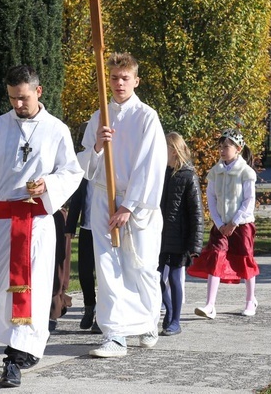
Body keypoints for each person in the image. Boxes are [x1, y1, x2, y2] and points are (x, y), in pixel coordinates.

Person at [0, 65, 83, 388]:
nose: (17, 104)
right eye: (12, 98)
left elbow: (71, 172)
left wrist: (48, 185)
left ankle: (13, 358)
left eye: (23, 98)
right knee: (2, 293)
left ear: (38, 92)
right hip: (0, 226)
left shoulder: (56, 130)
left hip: (36, 225)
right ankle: (26, 345)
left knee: (33, 292)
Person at [79, 53, 168, 357]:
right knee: (107, 268)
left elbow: (151, 165)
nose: (118, 83)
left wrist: (129, 205)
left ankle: (147, 321)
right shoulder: (98, 117)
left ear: (135, 81)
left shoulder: (146, 117)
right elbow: (85, 166)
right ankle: (115, 335)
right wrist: (96, 146)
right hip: (104, 197)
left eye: (124, 78)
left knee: (140, 265)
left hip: (137, 202)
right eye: (114, 78)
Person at [188, 128, 260, 318]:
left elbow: (248, 201)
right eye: (220, 146)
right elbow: (211, 199)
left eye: (226, 146)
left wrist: (234, 222)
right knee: (216, 257)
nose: (222, 150)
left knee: (245, 259)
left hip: (241, 225)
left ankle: (250, 299)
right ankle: (210, 305)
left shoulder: (246, 172)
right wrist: (219, 222)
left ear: (238, 149)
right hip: (221, 226)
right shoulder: (215, 172)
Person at [159, 132, 204, 336]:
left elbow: (196, 212)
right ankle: (168, 310)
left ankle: (175, 320)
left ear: (174, 150)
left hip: (179, 237)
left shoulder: (188, 176)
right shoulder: (160, 173)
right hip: (159, 235)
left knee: (175, 278)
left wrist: (195, 245)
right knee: (155, 277)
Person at [65, 122, 100, 332]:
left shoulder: (111, 161)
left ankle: (102, 316)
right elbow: (78, 197)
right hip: (87, 227)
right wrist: (71, 226)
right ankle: (89, 307)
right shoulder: (83, 162)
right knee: (86, 272)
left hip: (105, 227)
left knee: (104, 273)